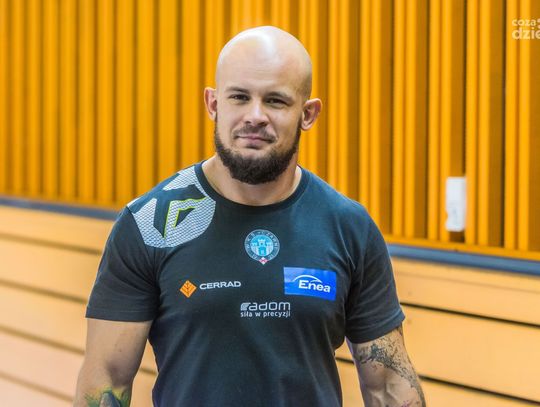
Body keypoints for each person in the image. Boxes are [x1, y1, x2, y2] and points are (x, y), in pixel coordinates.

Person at [74, 26, 425, 407]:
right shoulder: (151, 223)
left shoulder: (348, 227)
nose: (255, 116)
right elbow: (107, 381)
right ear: (213, 104)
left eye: (275, 101)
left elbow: (389, 385)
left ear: (308, 114)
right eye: (239, 97)